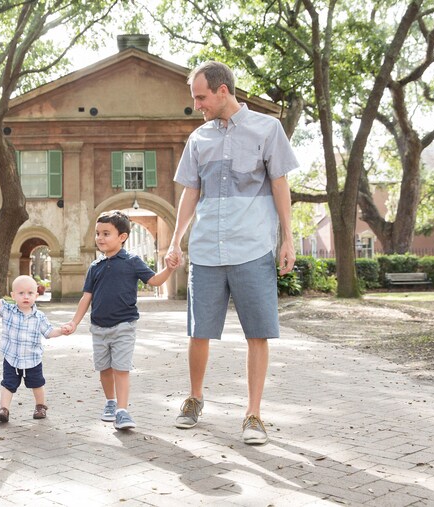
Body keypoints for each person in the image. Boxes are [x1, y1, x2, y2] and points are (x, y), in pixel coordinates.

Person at [165, 61, 298, 445]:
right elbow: (190, 192)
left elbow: (280, 186)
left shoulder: (267, 129)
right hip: (207, 250)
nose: (197, 105)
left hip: (252, 248)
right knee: (198, 332)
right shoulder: (198, 138)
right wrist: (175, 241)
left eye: (201, 97)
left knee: (258, 333)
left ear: (223, 91)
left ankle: (253, 415)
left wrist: (287, 239)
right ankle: (195, 398)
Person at [66, 210, 176, 430]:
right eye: (98, 233)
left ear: (122, 237)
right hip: (98, 328)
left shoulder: (132, 261)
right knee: (104, 369)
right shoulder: (95, 267)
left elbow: (154, 281)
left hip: (124, 326)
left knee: (121, 368)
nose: (100, 238)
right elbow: (86, 298)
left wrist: (169, 269)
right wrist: (74, 322)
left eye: (106, 233)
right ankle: (110, 402)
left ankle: (122, 411)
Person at [0, 274, 68, 423]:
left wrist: (61, 331)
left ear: (36, 295)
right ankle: (4, 409)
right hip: (11, 358)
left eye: (30, 293)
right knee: (8, 384)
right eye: (21, 293)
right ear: (13, 295)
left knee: (37, 383)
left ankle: (40, 406)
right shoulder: (8, 311)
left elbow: (49, 332)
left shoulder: (39, 317)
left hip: (33, 359)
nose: (26, 296)